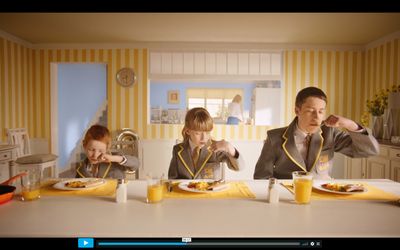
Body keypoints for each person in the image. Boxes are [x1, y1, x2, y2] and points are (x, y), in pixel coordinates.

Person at [254, 87, 379, 180]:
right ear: (297, 110)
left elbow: (370, 150)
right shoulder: (274, 137)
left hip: (323, 197)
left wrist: (350, 124)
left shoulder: (330, 134)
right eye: (311, 111)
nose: (316, 117)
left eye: (321, 111)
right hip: (286, 198)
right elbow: (261, 177)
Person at [168, 107, 245, 179]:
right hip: (185, 192)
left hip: (210, 192)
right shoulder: (177, 150)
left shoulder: (215, 148)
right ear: (188, 131)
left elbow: (239, 167)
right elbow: (172, 179)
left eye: (207, 133)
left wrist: (229, 147)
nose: (204, 138)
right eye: (198, 133)